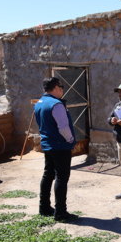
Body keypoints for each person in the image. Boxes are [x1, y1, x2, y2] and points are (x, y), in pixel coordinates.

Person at [33, 77, 78, 222]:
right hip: (60, 146)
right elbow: (63, 127)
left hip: (48, 144)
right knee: (61, 178)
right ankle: (61, 212)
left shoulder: (39, 103)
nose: (62, 90)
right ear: (56, 88)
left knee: (48, 175)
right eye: (61, 87)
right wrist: (70, 140)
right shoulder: (56, 104)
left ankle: (44, 207)